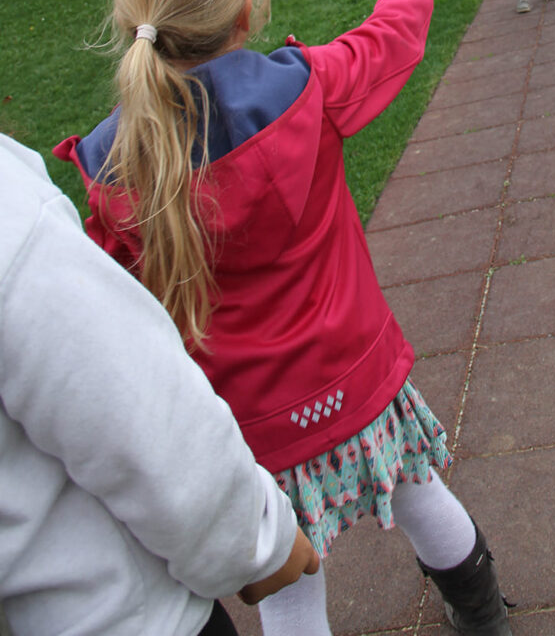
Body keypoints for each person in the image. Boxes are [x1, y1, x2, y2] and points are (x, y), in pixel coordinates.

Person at [55, 0, 512, 636]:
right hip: (357, 379)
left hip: (249, 427)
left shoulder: (114, 171)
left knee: (292, 583)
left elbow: (109, 294)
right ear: (247, 7)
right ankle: (483, 617)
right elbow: (389, 41)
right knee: (421, 493)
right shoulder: (306, 86)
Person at [0, 131, 317, 636]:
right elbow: (131, 408)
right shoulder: (10, 214)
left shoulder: (109, 166)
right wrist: (258, 540)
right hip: (120, 615)